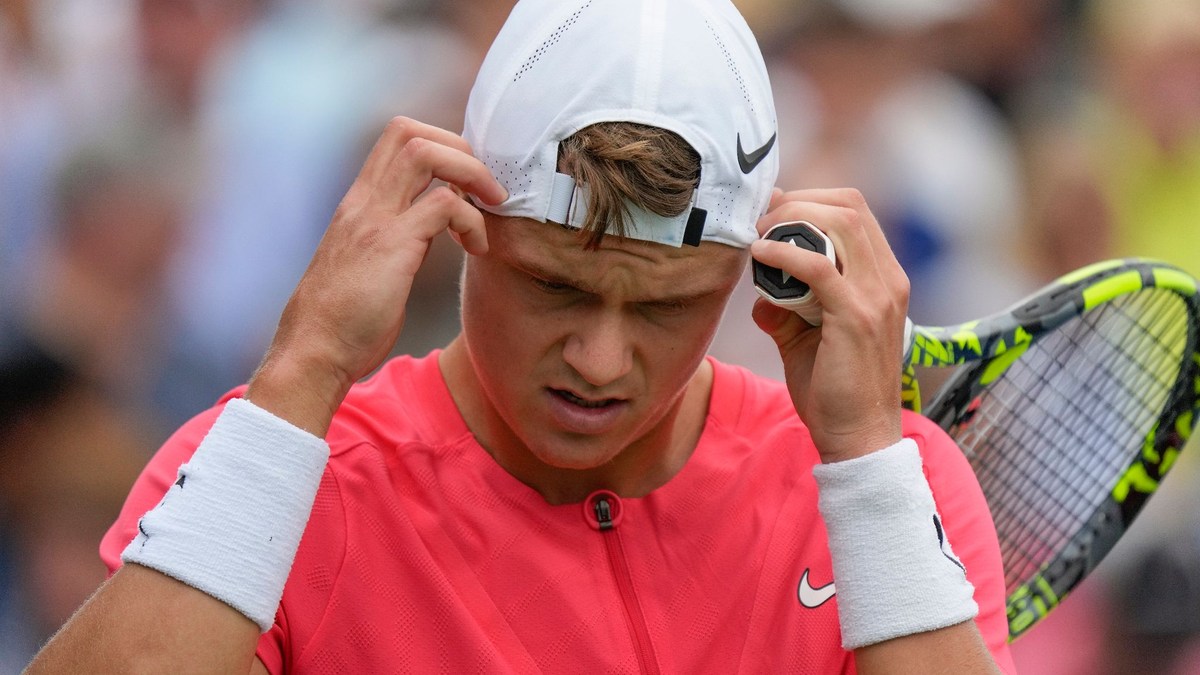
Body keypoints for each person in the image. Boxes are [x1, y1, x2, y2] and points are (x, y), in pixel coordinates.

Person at [25, 0, 1014, 673]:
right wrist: (310, 359)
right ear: (458, 224)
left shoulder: (881, 486)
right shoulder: (277, 466)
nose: (599, 359)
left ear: (758, 273)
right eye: (554, 286)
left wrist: (867, 466)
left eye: (667, 307)